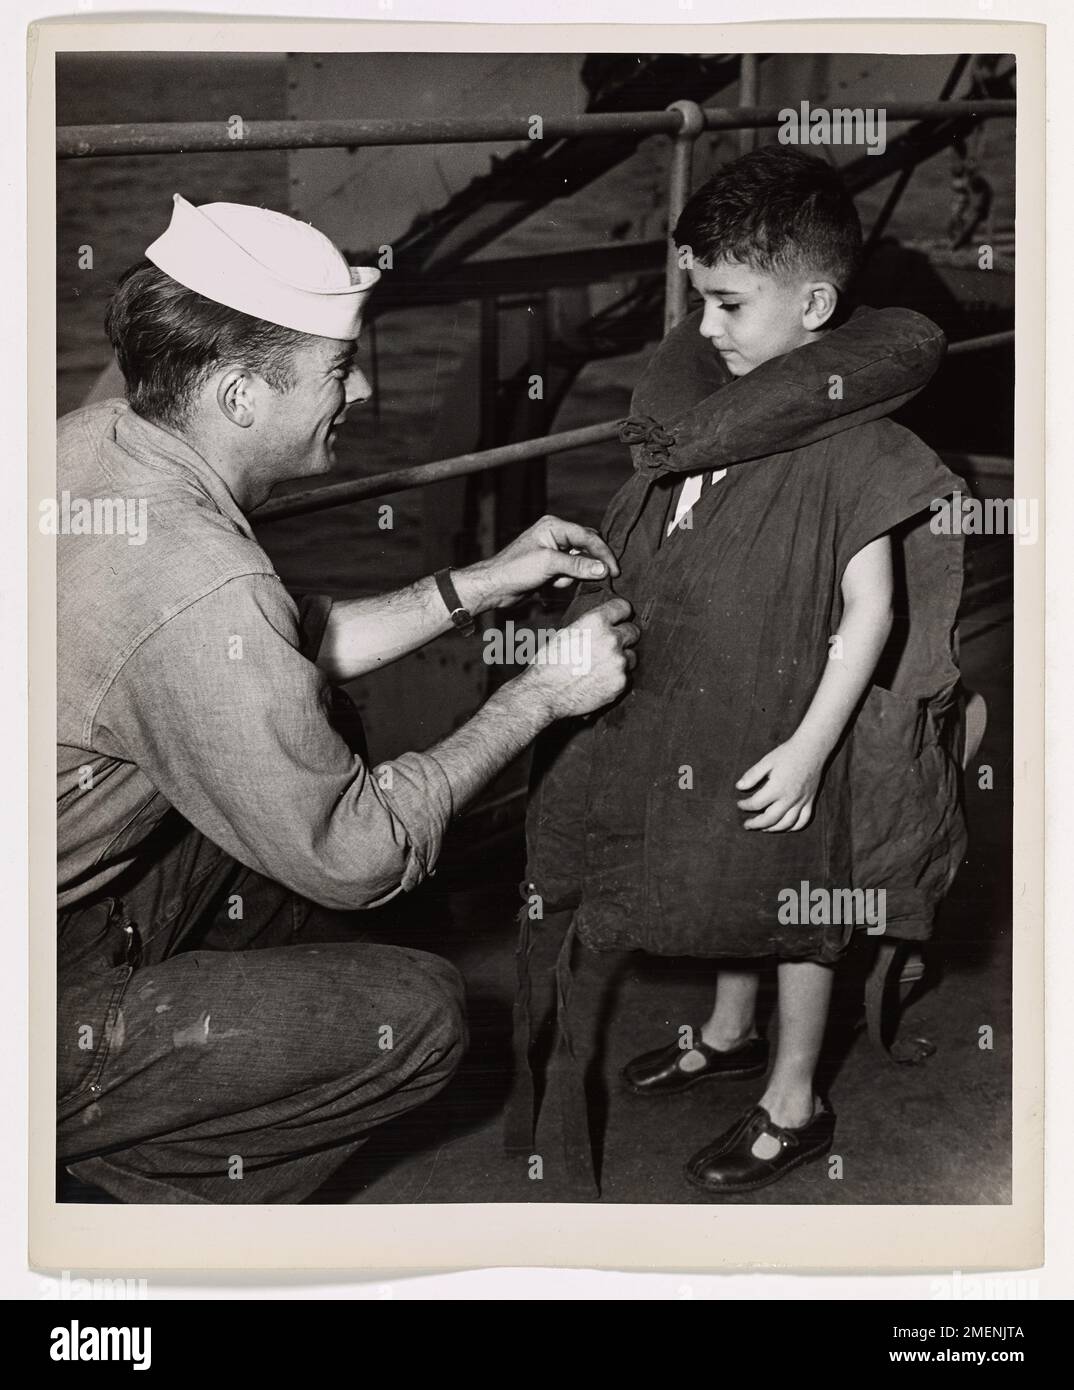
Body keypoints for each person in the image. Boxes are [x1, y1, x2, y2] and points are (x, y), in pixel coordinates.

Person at [55, 194, 639, 1203]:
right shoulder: (195, 577)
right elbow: (358, 855)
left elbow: (270, 648)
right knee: (419, 1013)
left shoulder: (100, 442)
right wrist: (542, 694)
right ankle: (133, 1196)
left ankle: (142, 1082)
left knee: (323, 727)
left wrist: (478, 584)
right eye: (339, 367)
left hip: (60, 891)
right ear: (240, 396)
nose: (363, 389)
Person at [522, 148, 967, 1195]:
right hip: (724, 697)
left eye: (727, 304)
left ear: (815, 303)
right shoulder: (724, 412)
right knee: (728, 860)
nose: (706, 329)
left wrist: (813, 750)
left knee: (800, 902)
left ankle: (795, 1096)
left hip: (803, 720)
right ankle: (728, 1029)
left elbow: (875, 608)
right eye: (700, 301)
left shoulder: (857, 443)